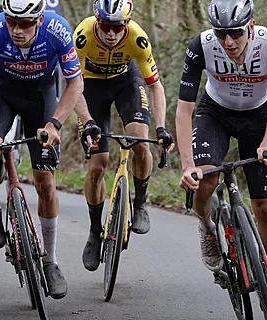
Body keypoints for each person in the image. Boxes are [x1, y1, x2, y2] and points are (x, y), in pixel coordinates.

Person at [0, 0, 94, 300]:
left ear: (40, 19)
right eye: (11, 21)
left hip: (41, 97)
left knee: (45, 182)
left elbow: (75, 84)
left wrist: (55, 124)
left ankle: (51, 261)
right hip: (1, 92)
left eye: (25, 23)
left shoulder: (58, 30)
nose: (17, 29)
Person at [175, 0, 267, 318]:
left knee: (265, 207)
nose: (228, 41)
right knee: (205, 178)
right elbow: (185, 110)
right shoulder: (201, 46)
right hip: (215, 115)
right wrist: (188, 166)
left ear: (250, 27)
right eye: (221, 32)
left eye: (236, 33)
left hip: (260, 117)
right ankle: (207, 227)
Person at [74, 0, 174, 272]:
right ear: (96, 21)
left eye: (117, 28)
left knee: (140, 141)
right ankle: (95, 232)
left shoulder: (138, 39)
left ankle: (140, 202)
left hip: (125, 81)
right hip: (90, 86)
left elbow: (155, 87)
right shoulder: (82, 37)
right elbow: (74, 86)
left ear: (126, 24)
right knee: (97, 165)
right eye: (105, 27)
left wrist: (162, 127)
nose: (111, 34)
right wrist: (88, 121)